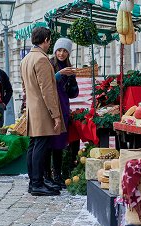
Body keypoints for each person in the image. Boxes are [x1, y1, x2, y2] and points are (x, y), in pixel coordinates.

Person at [20, 26, 66, 196]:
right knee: (41, 146)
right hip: (43, 109)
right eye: (50, 40)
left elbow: (25, 87)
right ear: (46, 40)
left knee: (34, 145)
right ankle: (37, 183)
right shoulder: (41, 59)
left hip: (33, 108)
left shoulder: (26, 59)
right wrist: (56, 115)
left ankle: (34, 181)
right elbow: (47, 90)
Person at [47, 37, 79, 189]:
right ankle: (48, 175)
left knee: (60, 142)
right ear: (55, 51)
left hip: (64, 106)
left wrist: (72, 80)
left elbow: (74, 94)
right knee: (50, 142)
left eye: (65, 51)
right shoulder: (49, 64)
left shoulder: (69, 67)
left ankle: (58, 175)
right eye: (59, 50)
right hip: (52, 107)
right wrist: (59, 74)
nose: (61, 54)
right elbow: (45, 84)